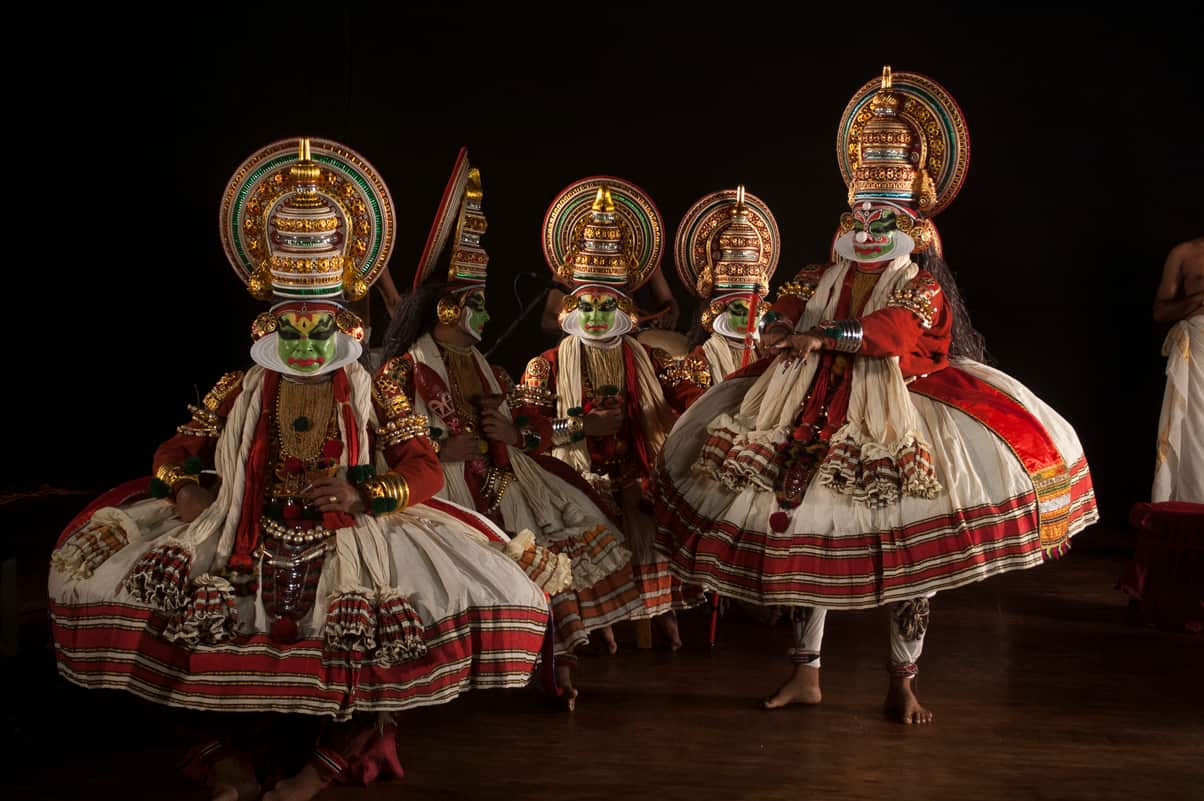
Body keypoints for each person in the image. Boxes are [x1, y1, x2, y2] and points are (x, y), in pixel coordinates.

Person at [48, 138, 550, 801]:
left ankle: (324, 764)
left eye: (321, 331)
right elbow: (174, 450)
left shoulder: (375, 390)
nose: (308, 345)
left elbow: (424, 468)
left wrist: (364, 491)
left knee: (376, 638)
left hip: (350, 531)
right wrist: (186, 487)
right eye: (293, 331)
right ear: (270, 325)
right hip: (245, 528)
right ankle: (228, 758)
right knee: (189, 621)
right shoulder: (240, 387)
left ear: (342, 326)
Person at [654, 68, 1099, 724]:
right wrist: (777, 328)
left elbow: (893, 332)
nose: (867, 226)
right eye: (859, 213)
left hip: (897, 413)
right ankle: (805, 673)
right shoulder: (820, 272)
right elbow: (786, 305)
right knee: (805, 536)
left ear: (911, 222)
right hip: (805, 407)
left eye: (883, 216)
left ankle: (902, 681)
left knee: (912, 558)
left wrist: (821, 336)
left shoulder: (920, 283)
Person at [377, 148, 660, 709]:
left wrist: (516, 436)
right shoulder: (404, 372)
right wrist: (440, 446)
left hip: (511, 478)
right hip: (442, 489)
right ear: (449, 310)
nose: (487, 316)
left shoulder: (497, 372)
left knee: (556, 553)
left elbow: (533, 424)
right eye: (478, 305)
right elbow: (380, 432)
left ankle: (558, 668)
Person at [513, 177, 708, 650]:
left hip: (637, 471)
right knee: (579, 514)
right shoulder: (546, 366)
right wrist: (582, 426)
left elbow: (693, 399)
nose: (596, 316)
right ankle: (597, 620)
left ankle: (658, 611)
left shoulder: (652, 359)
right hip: (572, 481)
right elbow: (526, 435)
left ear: (624, 309)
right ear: (570, 308)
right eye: (586, 305)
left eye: (606, 306)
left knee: (658, 500)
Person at [675, 185, 782, 385]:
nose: (748, 319)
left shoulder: (769, 354)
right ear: (718, 310)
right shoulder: (701, 358)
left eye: (753, 311)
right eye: (739, 311)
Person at [1151, 237, 1204, 502]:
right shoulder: (1185, 253)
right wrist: (1200, 298)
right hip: (1198, 349)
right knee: (1196, 428)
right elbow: (1160, 312)